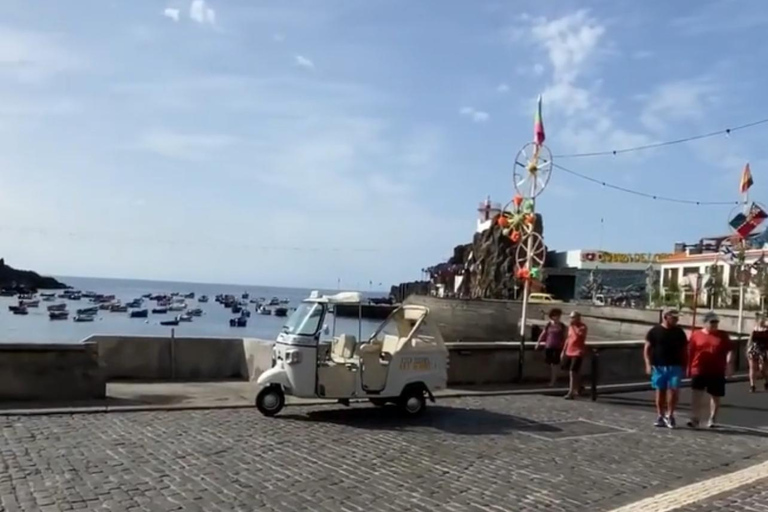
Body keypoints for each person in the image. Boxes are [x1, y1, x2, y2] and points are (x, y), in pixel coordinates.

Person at [687, 312, 734, 429]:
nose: (714, 325)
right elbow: (690, 352)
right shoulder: (696, 335)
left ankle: (712, 418)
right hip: (699, 368)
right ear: (705, 323)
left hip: (717, 369)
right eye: (711, 322)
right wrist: (688, 368)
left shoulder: (723, 336)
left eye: (716, 322)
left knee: (715, 395)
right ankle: (695, 418)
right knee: (697, 394)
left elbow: (730, 350)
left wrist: (729, 365)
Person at [643, 308, 687, 429]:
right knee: (660, 391)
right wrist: (648, 364)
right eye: (674, 317)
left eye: (677, 318)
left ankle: (670, 415)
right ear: (666, 317)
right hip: (659, 366)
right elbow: (647, 348)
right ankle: (660, 415)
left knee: (673, 391)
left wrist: (685, 365)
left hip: (675, 365)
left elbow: (684, 350)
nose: (676, 320)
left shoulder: (679, 332)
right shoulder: (654, 331)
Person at [536, 308, 567, 386]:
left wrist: (564, 348)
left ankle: (553, 381)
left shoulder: (562, 326)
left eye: (558, 316)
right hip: (549, 346)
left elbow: (565, 337)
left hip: (558, 347)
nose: (558, 317)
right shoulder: (549, 325)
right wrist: (538, 343)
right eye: (556, 316)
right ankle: (552, 379)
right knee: (549, 363)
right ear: (552, 316)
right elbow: (543, 334)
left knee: (555, 365)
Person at [561, 311, 587, 400]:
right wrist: (563, 350)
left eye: (573, 317)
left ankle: (571, 392)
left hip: (578, 352)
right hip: (569, 351)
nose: (571, 319)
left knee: (572, 371)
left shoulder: (582, 327)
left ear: (578, 318)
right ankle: (579, 386)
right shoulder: (570, 327)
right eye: (570, 317)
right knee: (574, 372)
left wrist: (573, 327)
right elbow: (568, 339)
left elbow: (579, 336)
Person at [747, 313, 768, 393]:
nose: (763, 321)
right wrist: (747, 349)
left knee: (763, 369)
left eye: (764, 320)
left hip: (764, 350)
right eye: (762, 320)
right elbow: (750, 340)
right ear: (758, 320)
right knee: (752, 368)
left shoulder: (767, 329)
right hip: (754, 349)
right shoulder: (754, 329)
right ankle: (752, 386)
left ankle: (766, 381)